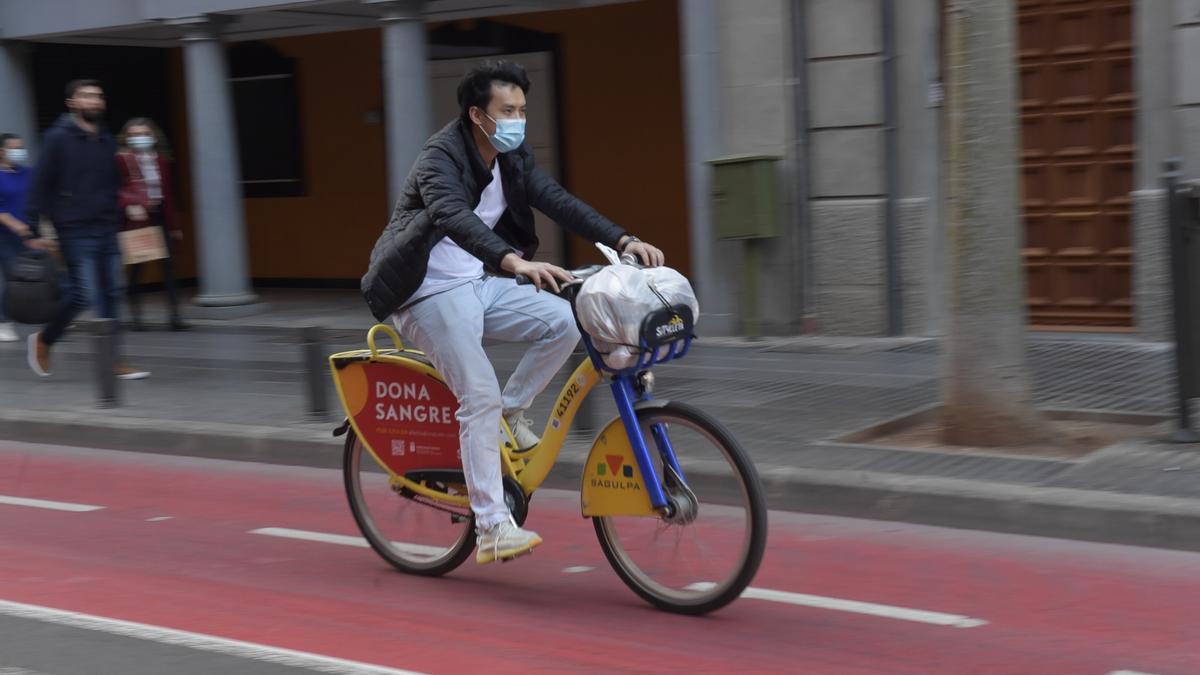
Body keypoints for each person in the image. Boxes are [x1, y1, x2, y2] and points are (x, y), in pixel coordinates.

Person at [362, 60, 665, 564]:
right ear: (477, 114)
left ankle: (512, 408)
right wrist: (515, 262)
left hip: (478, 281)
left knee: (565, 320)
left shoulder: (511, 155)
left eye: (523, 110)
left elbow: (556, 199)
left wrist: (622, 238)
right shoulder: (440, 156)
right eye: (508, 111)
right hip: (425, 292)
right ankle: (491, 526)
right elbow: (451, 216)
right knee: (476, 394)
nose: (518, 120)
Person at [26, 80, 149, 380]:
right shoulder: (56, 138)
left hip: (107, 226)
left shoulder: (106, 139)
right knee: (84, 295)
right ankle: (45, 339)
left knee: (112, 293)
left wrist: (124, 205)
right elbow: (41, 182)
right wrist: (32, 229)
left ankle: (113, 360)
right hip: (75, 228)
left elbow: (112, 183)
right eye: (86, 96)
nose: (94, 100)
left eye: (98, 96)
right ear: (71, 103)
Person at [117, 118, 189, 331]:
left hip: (160, 217)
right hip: (137, 219)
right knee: (138, 268)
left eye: (144, 134)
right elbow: (114, 188)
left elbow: (168, 195)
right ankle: (136, 316)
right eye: (135, 135)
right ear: (127, 138)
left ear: (154, 136)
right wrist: (128, 204)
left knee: (169, 268)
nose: (140, 138)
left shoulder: (162, 161)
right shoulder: (121, 160)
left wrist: (174, 226)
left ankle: (175, 316)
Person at [0, 133, 53, 342]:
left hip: (33, 234)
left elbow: (40, 199)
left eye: (21, 147)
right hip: (6, 237)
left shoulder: (29, 173)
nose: (19, 151)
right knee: (14, 280)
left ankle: (51, 318)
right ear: (1, 151)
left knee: (45, 276)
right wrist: (15, 225)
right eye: (14, 147)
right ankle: (3, 321)